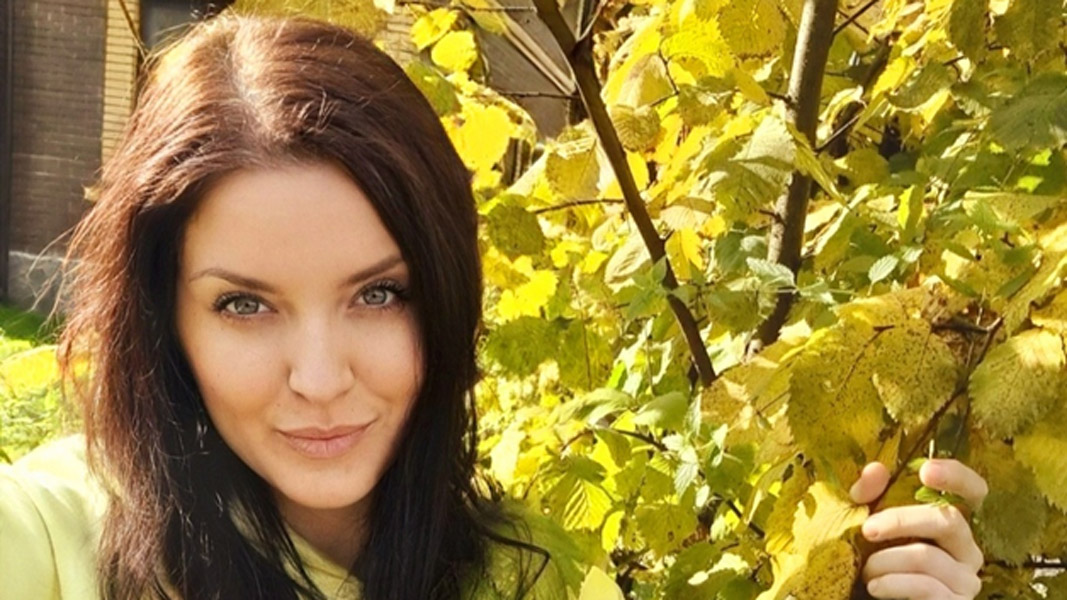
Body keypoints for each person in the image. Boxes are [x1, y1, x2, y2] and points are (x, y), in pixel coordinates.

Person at [0, 13, 987, 600]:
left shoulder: (534, 573)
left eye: (378, 294)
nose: (320, 378)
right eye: (244, 306)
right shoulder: (51, 540)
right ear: (163, 320)